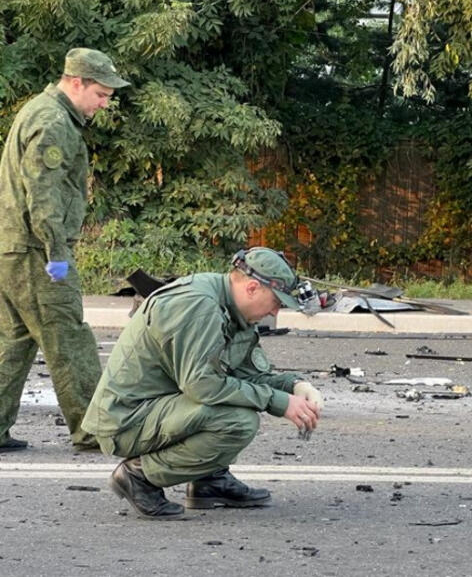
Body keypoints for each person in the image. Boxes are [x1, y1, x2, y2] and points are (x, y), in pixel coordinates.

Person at [81, 247, 325, 520]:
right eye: (276, 301)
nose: (275, 311)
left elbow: (245, 374)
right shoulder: (200, 306)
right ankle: (139, 476)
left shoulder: (233, 308)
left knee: (235, 403)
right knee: (237, 421)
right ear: (253, 288)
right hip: (126, 420)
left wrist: (295, 387)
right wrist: (277, 402)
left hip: (159, 408)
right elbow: (203, 385)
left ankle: (209, 480)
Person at [0, 48, 130, 452]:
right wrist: (56, 251)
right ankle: (95, 430)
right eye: (101, 94)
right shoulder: (54, 121)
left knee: (14, 341)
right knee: (69, 338)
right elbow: (44, 193)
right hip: (37, 251)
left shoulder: (41, 111)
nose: (104, 103)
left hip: (14, 248)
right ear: (77, 83)